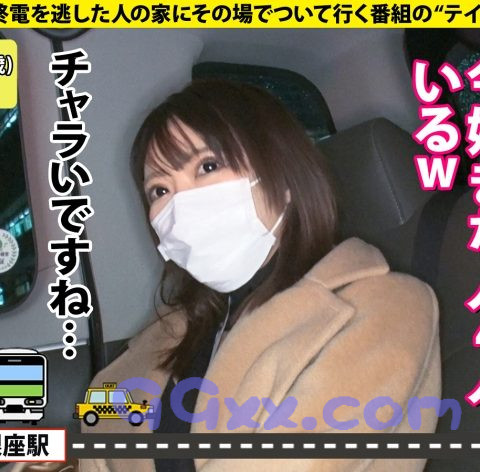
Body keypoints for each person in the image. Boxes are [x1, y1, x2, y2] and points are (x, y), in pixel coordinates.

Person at [78, 79, 441, 472]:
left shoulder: (388, 308)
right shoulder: (180, 326)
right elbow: (99, 420)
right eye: (159, 190)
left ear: (282, 177)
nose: (180, 204)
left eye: (208, 166)